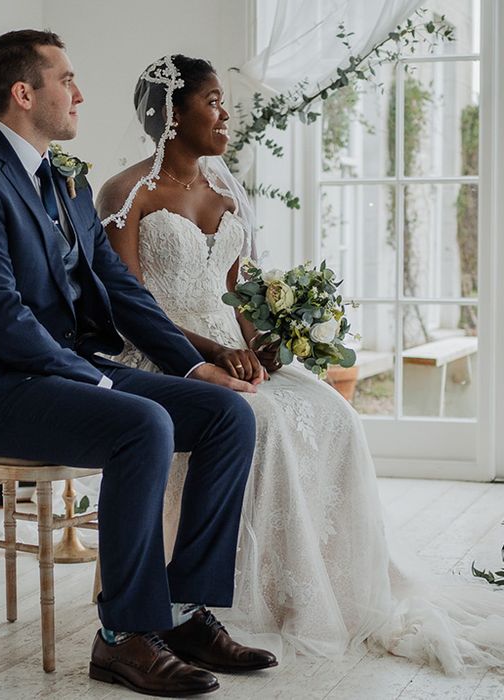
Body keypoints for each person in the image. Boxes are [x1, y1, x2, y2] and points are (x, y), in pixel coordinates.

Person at [97, 54, 504, 673]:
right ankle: (209, 601)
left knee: (332, 411)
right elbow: (127, 308)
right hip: (166, 356)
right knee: (266, 422)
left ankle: (315, 585)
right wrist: (212, 355)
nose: (225, 112)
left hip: (230, 350)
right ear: (173, 114)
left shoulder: (223, 189)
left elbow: (234, 294)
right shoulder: (126, 193)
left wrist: (264, 343)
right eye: (211, 101)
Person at [0, 31, 277, 696]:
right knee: (140, 424)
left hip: (61, 371)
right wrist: (101, 377)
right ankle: (122, 638)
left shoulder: (66, 179)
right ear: (24, 94)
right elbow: (1, 320)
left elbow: (119, 290)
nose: (79, 93)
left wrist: (193, 368)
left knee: (227, 413)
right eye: (66, 79)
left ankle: (180, 614)